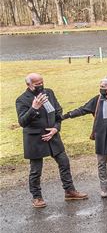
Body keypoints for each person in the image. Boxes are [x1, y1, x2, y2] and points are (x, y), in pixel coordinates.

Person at [16, 73, 88, 208]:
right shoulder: (21, 100)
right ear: (29, 85)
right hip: (35, 139)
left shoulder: (49, 93)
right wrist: (34, 108)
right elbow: (22, 122)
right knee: (36, 170)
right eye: (37, 84)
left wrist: (56, 128)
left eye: (42, 82)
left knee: (64, 162)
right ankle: (37, 197)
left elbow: (58, 113)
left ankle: (69, 191)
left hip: (52, 135)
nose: (41, 86)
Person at [63, 76, 107, 198]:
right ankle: (104, 188)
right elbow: (83, 109)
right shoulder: (97, 100)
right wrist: (67, 115)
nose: (101, 88)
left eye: (103, 86)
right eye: (100, 86)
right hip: (101, 137)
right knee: (101, 163)